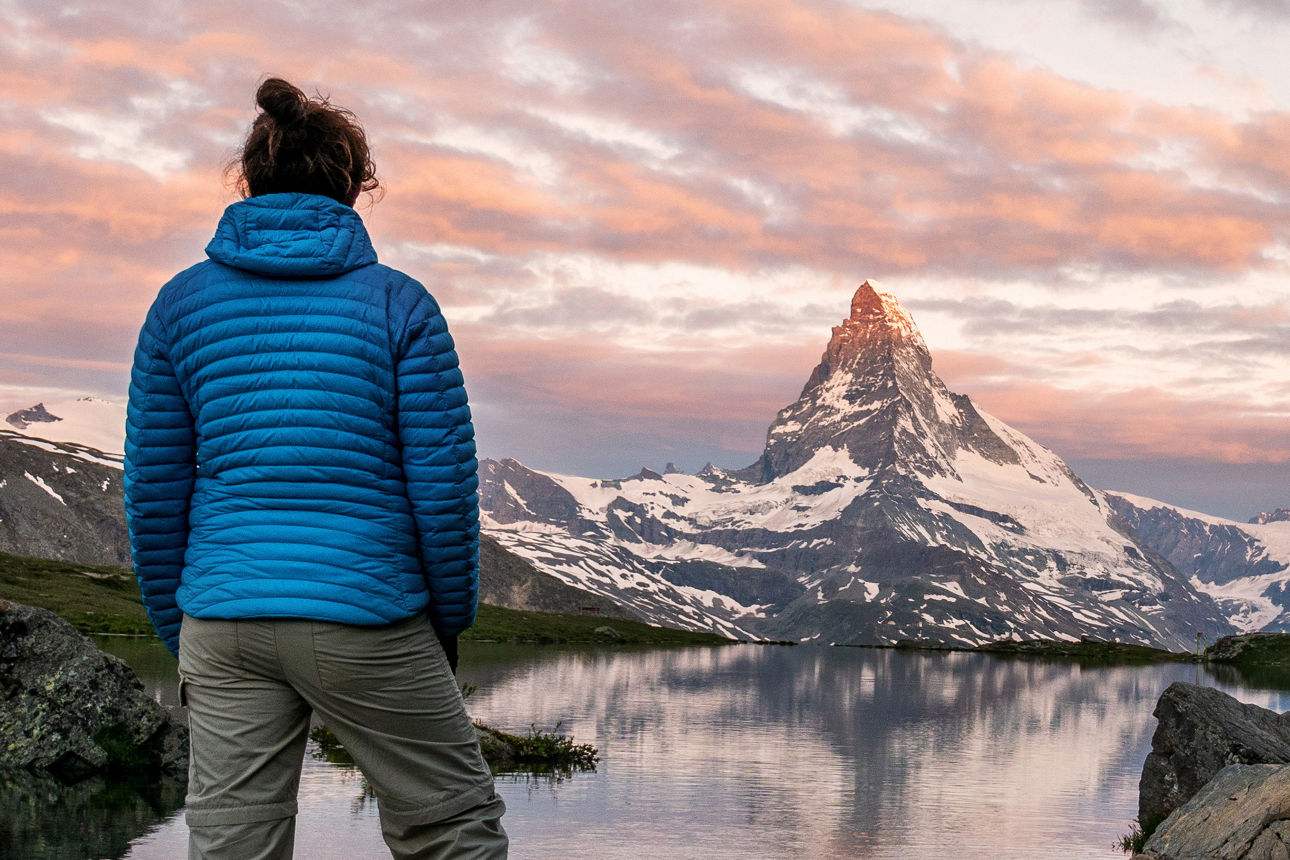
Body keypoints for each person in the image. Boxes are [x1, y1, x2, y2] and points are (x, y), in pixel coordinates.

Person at [124, 77, 508, 859]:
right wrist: (446, 625)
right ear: (353, 185)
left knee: (232, 843)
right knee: (451, 826)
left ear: (250, 179)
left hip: (222, 618)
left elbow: (154, 491)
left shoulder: (178, 306)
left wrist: (186, 624)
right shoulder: (401, 306)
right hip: (366, 613)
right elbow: (442, 492)